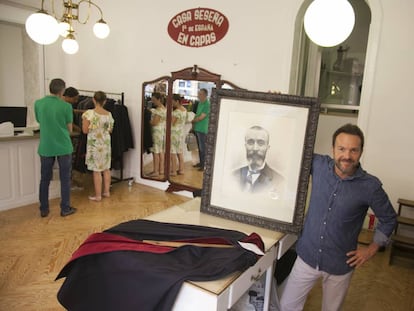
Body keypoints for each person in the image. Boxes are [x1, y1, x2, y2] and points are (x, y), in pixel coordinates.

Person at [280, 123, 397, 311]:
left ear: (361, 152)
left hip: (340, 265)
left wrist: (371, 249)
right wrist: (279, 109)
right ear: (333, 149)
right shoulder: (318, 164)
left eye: (353, 150)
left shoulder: (371, 186)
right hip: (307, 256)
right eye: (341, 149)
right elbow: (291, 145)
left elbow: (389, 218)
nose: (347, 156)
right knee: (286, 306)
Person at [34, 78, 77, 217]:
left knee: (44, 178)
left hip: (46, 147)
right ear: (62, 90)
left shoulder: (38, 104)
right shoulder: (66, 106)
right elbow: (69, 129)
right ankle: (65, 209)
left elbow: (40, 121)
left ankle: (44, 209)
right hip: (64, 146)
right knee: (65, 178)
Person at [233, 125, 284, 196]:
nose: (255, 148)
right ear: (245, 146)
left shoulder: (279, 181)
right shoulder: (233, 175)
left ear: (267, 147)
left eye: (260, 143)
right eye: (250, 142)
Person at [82, 91, 114, 201]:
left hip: (94, 144)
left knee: (96, 170)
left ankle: (98, 196)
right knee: (106, 169)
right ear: (104, 101)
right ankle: (106, 192)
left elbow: (85, 130)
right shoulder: (109, 114)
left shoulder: (89, 114)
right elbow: (110, 130)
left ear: (93, 100)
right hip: (105, 144)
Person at [148, 92, 166, 177]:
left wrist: (148, 121)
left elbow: (155, 122)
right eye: (152, 100)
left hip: (156, 132)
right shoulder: (164, 109)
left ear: (159, 100)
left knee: (156, 152)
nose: (153, 102)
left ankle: (156, 171)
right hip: (161, 132)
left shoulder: (159, 110)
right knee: (160, 151)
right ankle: (161, 170)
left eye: (154, 100)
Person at [191, 88, 210, 171]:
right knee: (199, 147)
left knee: (203, 148)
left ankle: (203, 165)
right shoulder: (199, 103)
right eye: (198, 94)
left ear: (204, 95)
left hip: (203, 129)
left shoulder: (207, 104)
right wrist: (193, 126)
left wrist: (193, 121)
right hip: (198, 128)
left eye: (200, 94)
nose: (198, 95)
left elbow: (202, 117)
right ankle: (201, 162)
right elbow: (197, 114)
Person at [170, 94, 187, 176]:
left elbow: (172, 123)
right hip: (180, 133)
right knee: (179, 151)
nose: (172, 103)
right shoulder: (184, 110)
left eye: (173, 102)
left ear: (177, 101)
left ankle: (173, 171)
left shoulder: (176, 112)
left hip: (174, 133)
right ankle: (181, 170)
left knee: (172, 152)